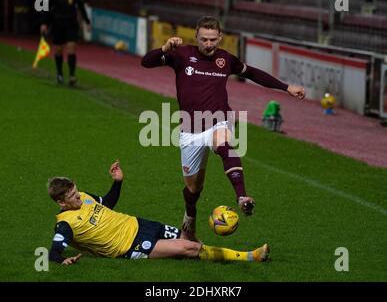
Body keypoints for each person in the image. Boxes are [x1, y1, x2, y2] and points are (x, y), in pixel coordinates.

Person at [141, 16, 305, 241]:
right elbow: (146, 62)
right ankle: (190, 216)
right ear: (196, 37)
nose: (209, 44)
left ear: (220, 38)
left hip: (219, 119)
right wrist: (163, 48)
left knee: (224, 142)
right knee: (193, 189)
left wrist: (286, 87)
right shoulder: (180, 54)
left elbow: (253, 73)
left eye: (213, 40)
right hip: (189, 130)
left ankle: (242, 197)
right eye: (204, 39)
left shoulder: (226, 60)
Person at [47, 160, 270, 265]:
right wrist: (62, 261)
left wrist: (118, 182)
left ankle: (219, 257)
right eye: (71, 196)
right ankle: (250, 257)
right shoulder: (65, 224)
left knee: (193, 240)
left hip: (139, 224)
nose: (77, 196)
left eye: (75, 190)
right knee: (190, 248)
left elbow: (107, 203)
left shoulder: (85, 197)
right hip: (129, 246)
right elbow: (54, 251)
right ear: (61, 203)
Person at [40, 0, 91, 86]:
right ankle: (59, 73)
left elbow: (81, 6)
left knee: (71, 48)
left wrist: (87, 21)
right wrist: (44, 23)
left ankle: (72, 76)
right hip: (58, 25)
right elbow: (46, 8)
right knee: (58, 50)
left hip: (71, 25)